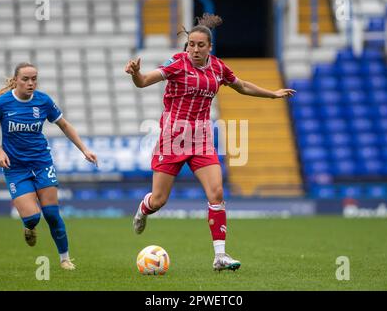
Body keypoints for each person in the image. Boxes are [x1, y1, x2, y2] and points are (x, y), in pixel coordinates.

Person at [125, 14, 295, 272]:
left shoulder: (218, 68)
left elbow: (242, 86)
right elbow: (144, 81)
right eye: (191, 44)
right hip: (172, 139)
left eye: (200, 45)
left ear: (209, 47)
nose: (194, 49)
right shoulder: (177, 63)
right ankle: (143, 209)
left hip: (202, 140)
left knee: (216, 193)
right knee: (159, 200)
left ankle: (220, 256)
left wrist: (271, 94)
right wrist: (136, 73)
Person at [0, 62, 98, 270]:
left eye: (34, 78)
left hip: (42, 163)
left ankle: (65, 259)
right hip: (15, 168)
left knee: (52, 214)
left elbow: (64, 125)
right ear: (16, 80)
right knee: (33, 217)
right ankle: (29, 227)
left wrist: (84, 149)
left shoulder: (43, 101)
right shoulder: (2, 103)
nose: (30, 83)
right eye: (25, 79)